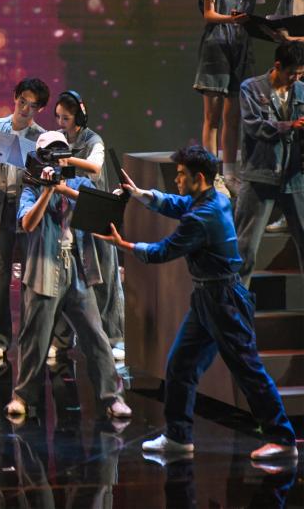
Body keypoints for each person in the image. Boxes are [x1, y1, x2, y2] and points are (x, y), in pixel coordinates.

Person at [95, 146, 298, 462]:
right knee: (180, 366)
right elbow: (176, 204)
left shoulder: (203, 217)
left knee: (249, 371)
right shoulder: (210, 199)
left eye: (180, 175)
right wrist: (139, 194)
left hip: (224, 301)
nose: (176, 180)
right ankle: (178, 436)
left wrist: (124, 245)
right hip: (207, 297)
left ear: (198, 178)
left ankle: (283, 439)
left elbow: (164, 250)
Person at [4, 132, 131, 421]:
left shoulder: (78, 184)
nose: (58, 160)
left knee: (95, 336)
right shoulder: (31, 188)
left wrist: (116, 199)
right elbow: (28, 223)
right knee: (34, 339)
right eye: (52, 154)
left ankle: (112, 398)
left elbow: (100, 212)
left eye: (62, 153)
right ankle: (22, 396)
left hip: (77, 268)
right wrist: (48, 191)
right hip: (44, 269)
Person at [0, 78, 49, 359]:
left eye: (33, 106)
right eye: (22, 101)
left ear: (39, 109)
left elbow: (46, 177)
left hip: (27, 209)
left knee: (31, 279)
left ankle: (30, 339)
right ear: (15, 97)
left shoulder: (42, 137)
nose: (25, 109)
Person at [49, 91, 125, 361]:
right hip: (67, 216)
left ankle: (112, 338)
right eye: (58, 117)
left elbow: (94, 167)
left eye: (66, 118)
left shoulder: (94, 140)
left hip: (95, 214)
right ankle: (62, 338)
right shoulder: (56, 139)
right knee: (66, 280)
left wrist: (66, 158)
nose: (61, 123)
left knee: (104, 279)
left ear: (78, 117)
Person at [194, 0, 265, 196]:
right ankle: (212, 176)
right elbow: (208, 14)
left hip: (242, 48)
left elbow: (255, 12)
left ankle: (231, 173)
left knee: (233, 117)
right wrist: (232, 19)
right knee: (211, 117)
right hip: (216, 46)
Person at [234, 41, 304, 287]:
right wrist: (289, 126)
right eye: (292, 73)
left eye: (300, 74)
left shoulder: (301, 90)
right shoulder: (251, 88)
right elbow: (254, 127)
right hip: (260, 175)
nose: (296, 79)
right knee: (245, 248)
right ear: (277, 66)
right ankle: (235, 305)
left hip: (295, 177)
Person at [262, 0, 304, 233]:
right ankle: (288, 212)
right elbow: (280, 18)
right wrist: (275, 31)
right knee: (288, 141)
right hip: (293, 70)